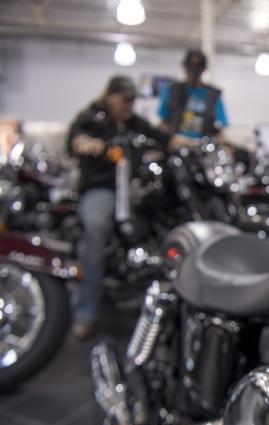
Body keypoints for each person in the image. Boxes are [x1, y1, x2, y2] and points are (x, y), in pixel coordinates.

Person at [66, 75, 187, 339]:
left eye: (133, 99)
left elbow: (163, 137)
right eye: (125, 99)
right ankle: (86, 310)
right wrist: (88, 144)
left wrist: (194, 144)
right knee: (96, 229)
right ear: (110, 95)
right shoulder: (91, 117)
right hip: (104, 187)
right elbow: (75, 140)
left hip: (135, 188)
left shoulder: (135, 123)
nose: (129, 104)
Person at [158, 49, 229, 139]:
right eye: (191, 69)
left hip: (203, 147)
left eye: (197, 69)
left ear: (203, 70)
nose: (194, 74)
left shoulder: (213, 95)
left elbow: (220, 128)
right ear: (185, 68)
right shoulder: (173, 91)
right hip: (176, 146)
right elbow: (163, 123)